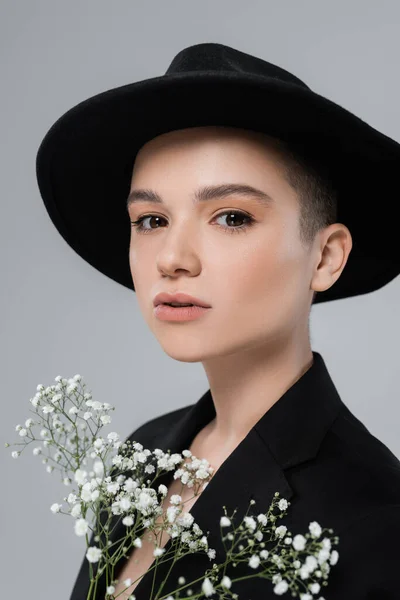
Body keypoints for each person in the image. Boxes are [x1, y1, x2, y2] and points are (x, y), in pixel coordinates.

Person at [35, 43, 400, 599]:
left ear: (325, 257)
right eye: (151, 219)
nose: (172, 257)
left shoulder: (376, 520)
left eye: (231, 217)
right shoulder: (143, 452)